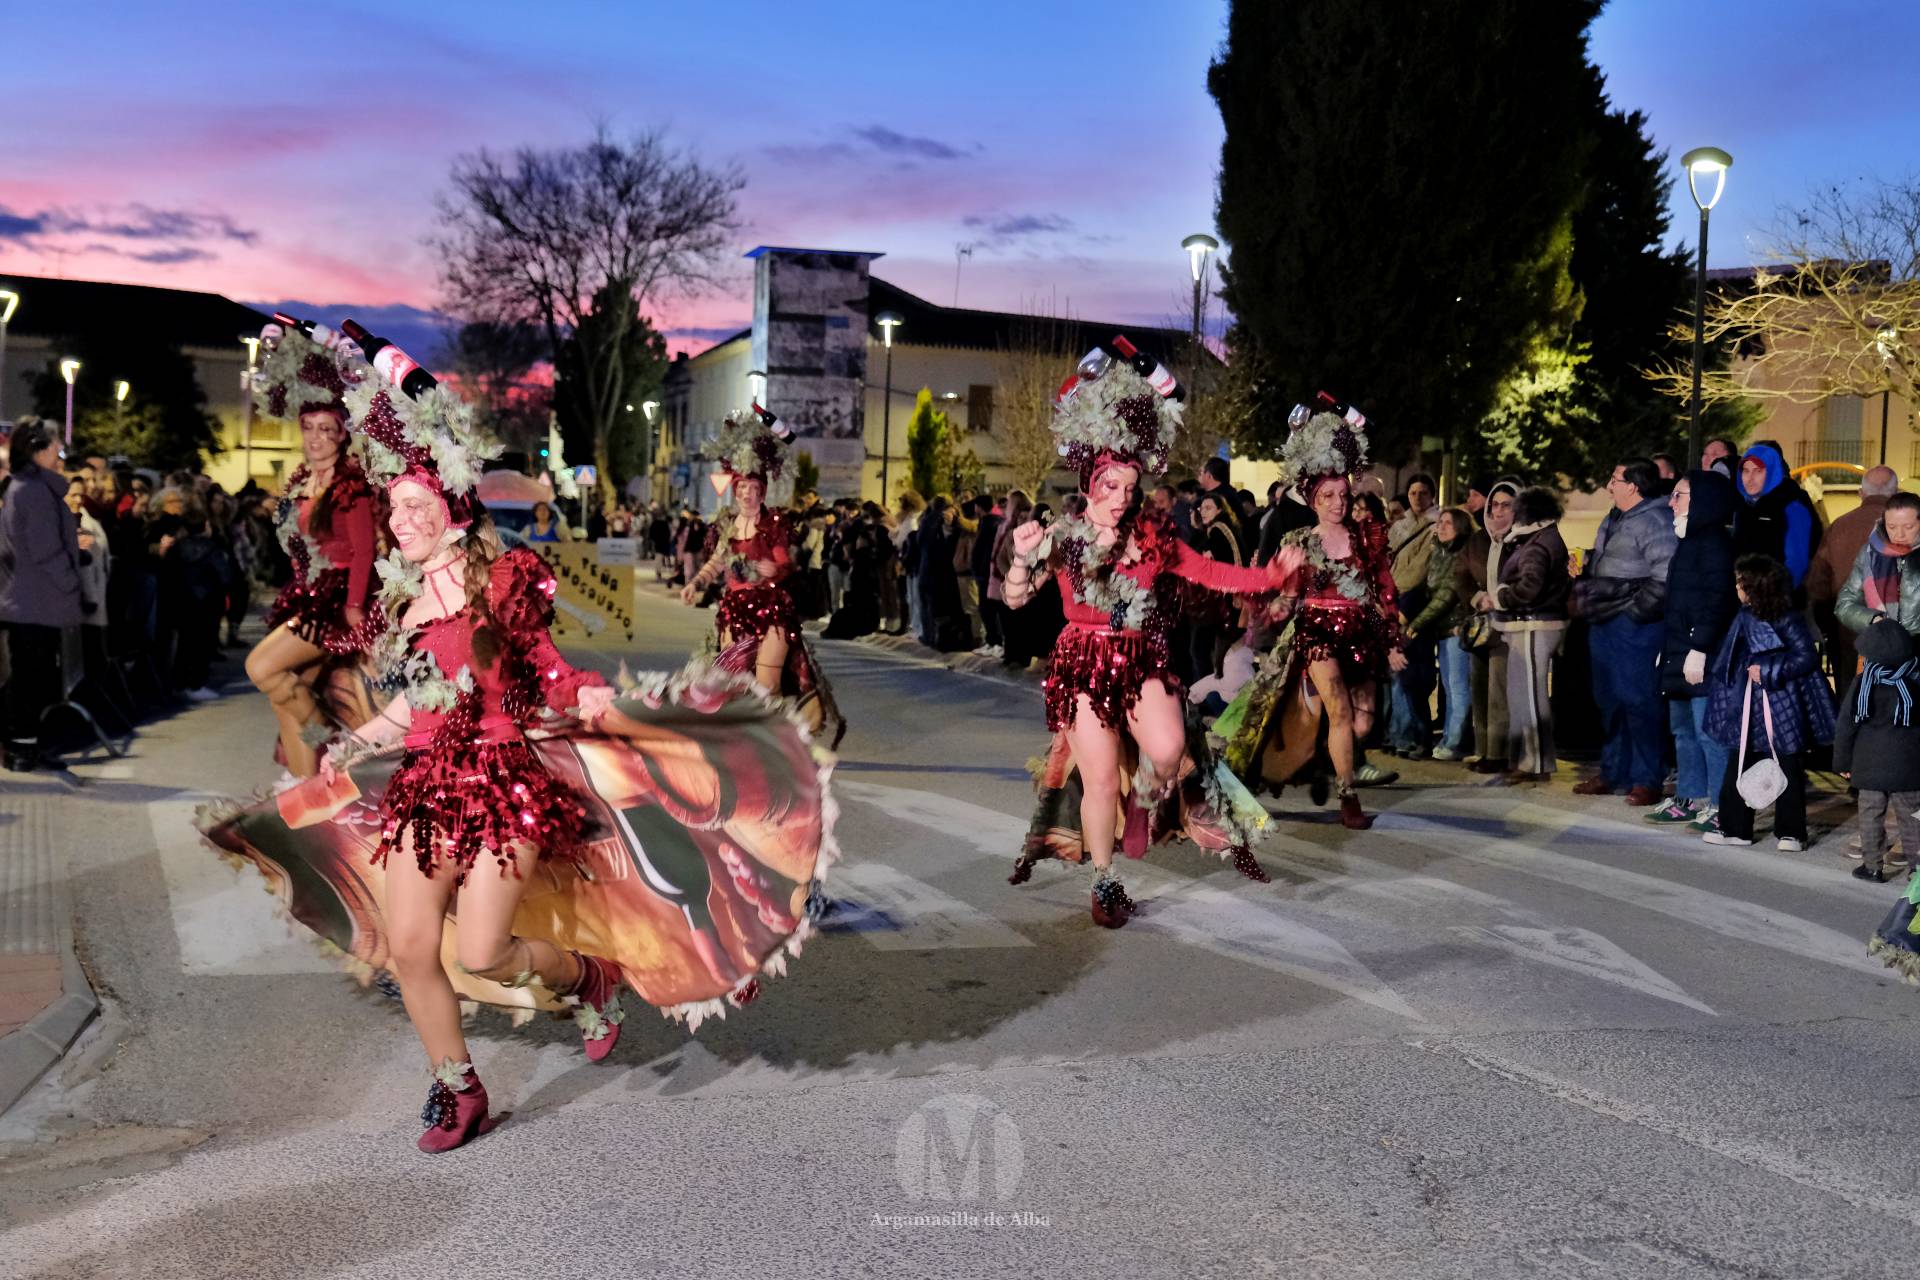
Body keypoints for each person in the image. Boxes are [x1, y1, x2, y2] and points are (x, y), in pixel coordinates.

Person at [1004, 339, 1283, 924]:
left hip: (1139, 659)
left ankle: (1147, 802)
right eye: (1112, 487)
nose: (1121, 498)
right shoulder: (1066, 537)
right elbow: (1015, 599)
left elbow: (1211, 571)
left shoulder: (1155, 537)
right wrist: (1022, 560)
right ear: (1091, 481)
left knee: (1169, 747)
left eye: (1131, 488)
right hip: (1082, 661)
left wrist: (1268, 576)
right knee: (1100, 777)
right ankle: (1106, 882)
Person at [1219, 406, 1406, 829]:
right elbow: (1287, 598)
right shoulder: (1300, 540)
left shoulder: (1366, 539)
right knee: (1338, 708)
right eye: (1328, 497)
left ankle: (1325, 760)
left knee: (1359, 725)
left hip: (1361, 633)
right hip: (1317, 631)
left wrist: (1392, 637)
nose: (1338, 503)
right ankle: (1348, 797)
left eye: (1343, 495)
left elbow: (1384, 590)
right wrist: (1268, 608)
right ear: (1313, 499)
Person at [242, 326, 383, 778]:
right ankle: (306, 790)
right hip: (307, 592)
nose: (316, 437)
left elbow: (363, 551)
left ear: (342, 435)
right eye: (309, 428)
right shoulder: (304, 480)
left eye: (327, 429)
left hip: (337, 601)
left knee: (261, 666)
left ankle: (329, 737)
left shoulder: (351, 483)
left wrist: (356, 608)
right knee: (286, 695)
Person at [680, 409, 845, 747]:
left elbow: (787, 564)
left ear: (762, 491)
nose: (747, 494)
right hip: (734, 609)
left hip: (770, 609)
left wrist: (776, 569)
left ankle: (769, 740)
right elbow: (716, 561)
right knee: (733, 678)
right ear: (735, 490)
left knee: (767, 681)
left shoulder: (773, 525)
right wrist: (695, 583)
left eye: (754, 488)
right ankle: (745, 738)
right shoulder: (726, 524)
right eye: (741, 488)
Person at [1703, 555, 1833, 851]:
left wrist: (1768, 669)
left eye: (1740, 582)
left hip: (1780, 702)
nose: (1736, 588)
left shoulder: (1787, 617)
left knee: (1787, 763)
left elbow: (1806, 657)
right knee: (1740, 762)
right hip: (1748, 700)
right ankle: (1735, 827)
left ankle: (1791, 832)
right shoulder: (1744, 614)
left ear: (1755, 586)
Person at [1571, 458, 1677, 806]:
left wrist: (1635, 613)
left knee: (1639, 701)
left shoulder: (1654, 520)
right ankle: (1614, 770)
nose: (1609, 485)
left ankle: (1647, 777)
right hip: (1605, 621)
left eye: (1615, 479)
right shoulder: (1615, 517)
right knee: (1610, 701)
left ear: (1633, 485)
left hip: (1634, 627)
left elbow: (1666, 575)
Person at [1649, 470, 1738, 832]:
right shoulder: (1688, 541)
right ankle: (1691, 795)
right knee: (1682, 729)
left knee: (1709, 732)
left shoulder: (1714, 543)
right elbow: (1679, 602)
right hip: (1680, 649)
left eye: (1679, 495)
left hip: (1702, 653)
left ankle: (1720, 804)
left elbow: (1717, 599)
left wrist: (1700, 647)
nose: (1671, 503)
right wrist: (1669, 648)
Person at [0, 420, 82, 771]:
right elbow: (44, 547)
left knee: (31, 676)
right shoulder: (32, 490)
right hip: (34, 601)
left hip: (32, 599)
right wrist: (70, 581)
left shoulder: (28, 487)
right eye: (56, 448)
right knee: (31, 678)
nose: (60, 455)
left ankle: (23, 744)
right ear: (37, 450)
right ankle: (21, 748)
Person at [1492, 488, 1572, 784]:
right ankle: (1527, 760)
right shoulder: (1543, 538)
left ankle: (1535, 762)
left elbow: (1529, 587)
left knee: (1530, 696)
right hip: (1534, 624)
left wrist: (1501, 597)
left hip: (1534, 624)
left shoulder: (1538, 544)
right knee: (1524, 694)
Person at [1833, 618, 1920, 881]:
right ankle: (1917, 870)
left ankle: (1872, 866)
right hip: (1908, 766)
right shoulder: (1915, 680)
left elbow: (1846, 725)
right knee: (1912, 819)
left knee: (1870, 815)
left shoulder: (1864, 683)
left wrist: (1843, 763)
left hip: (1869, 765)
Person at [1810, 466, 1899, 684]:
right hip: (1901, 634)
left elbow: (1818, 584)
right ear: (1896, 493)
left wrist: (1827, 622)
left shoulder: (1840, 527)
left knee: (1851, 699)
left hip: (1849, 633)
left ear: (1862, 493)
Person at [1407, 508, 1475, 760]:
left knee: (1457, 687)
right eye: (1440, 522)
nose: (1441, 526)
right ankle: (1448, 737)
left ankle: (1456, 742)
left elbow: (1446, 595)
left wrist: (1416, 624)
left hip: (1456, 626)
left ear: (1460, 528)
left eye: (1448, 523)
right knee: (1449, 686)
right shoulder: (1438, 552)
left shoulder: (1460, 554)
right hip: (1442, 629)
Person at [1463, 481, 1519, 774]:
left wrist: (1500, 597)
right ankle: (1483, 749)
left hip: (1508, 624)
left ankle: (1498, 753)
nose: (1498, 511)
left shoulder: (1522, 540)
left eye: (1506, 504)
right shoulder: (1478, 540)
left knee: (1499, 691)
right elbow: (1459, 576)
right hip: (1481, 624)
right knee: (1479, 688)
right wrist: (1476, 596)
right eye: (1494, 504)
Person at [1386, 473, 1438, 755]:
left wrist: (1392, 588)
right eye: (1413, 492)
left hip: (1414, 604)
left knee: (1414, 674)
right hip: (1394, 602)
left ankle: (1416, 736)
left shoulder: (1434, 527)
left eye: (1423, 492)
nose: (1418, 498)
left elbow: (1420, 570)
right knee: (1398, 674)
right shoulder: (1400, 527)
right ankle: (1399, 734)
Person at [1733, 442, 1821, 600]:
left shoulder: (1791, 504)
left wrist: (1775, 597)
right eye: (1745, 471)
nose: (1750, 478)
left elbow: (1797, 561)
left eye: (1758, 471)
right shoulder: (1743, 506)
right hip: (1746, 598)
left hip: (1774, 602)